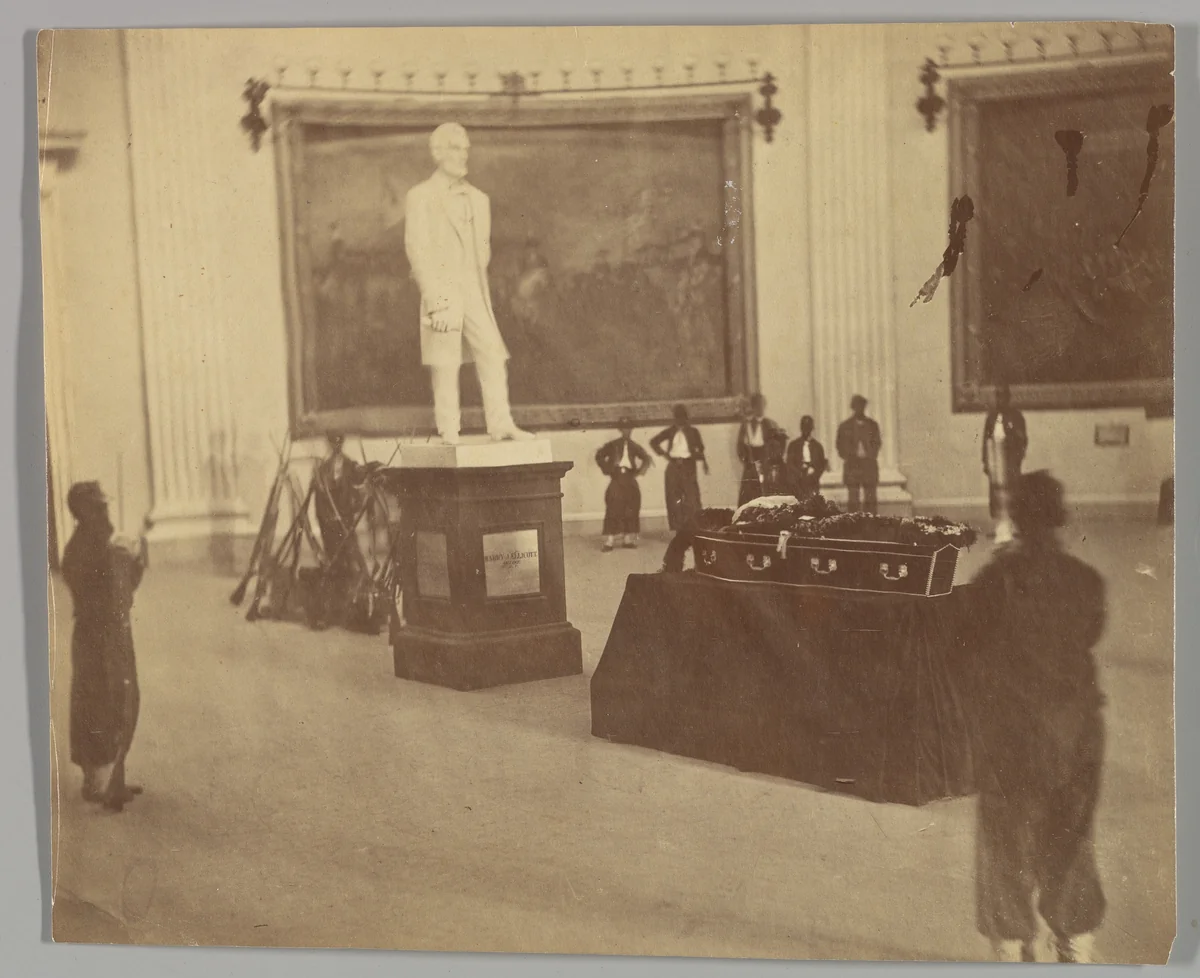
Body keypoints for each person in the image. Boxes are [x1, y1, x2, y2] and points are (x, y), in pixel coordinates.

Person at [966, 471, 1107, 963]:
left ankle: (1011, 945)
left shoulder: (993, 582)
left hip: (1010, 732)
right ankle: (1075, 941)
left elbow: (967, 643)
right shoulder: (1087, 580)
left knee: (1004, 837)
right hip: (1076, 732)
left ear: (1016, 518)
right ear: (1060, 518)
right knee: (1070, 836)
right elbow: (1090, 634)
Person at [403, 122, 533, 446]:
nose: (463, 155)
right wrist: (435, 299)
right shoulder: (420, 196)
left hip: (474, 290)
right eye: (456, 148)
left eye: (465, 149)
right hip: (442, 292)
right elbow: (417, 250)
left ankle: (501, 425)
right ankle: (449, 432)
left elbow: (482, 251)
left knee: (492, 353)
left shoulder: (479, 199)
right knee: (445, 363)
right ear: (437, 152)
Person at [60, 481, 146, 813]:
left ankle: (115, 778)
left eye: (105, 506)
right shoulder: (80, 550)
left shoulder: (101, 544)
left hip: (113, 634)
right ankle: (97, 783)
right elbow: (95, 594)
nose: (106, 512)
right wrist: (119, 559)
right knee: (97, 704)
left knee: (122, 698)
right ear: (85, 513)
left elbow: (124, 589)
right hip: (95, 639)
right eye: (99, 508)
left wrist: (133, 559)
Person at [649, 405, 709, 531]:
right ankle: (677, 529)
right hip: (673, 466)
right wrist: (665, 455)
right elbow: (653, 442)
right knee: (673, 498)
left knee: (692, 498)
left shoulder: (693, 431)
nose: (680, 420)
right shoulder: (670, 431)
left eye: (682, 417)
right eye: (678, 417)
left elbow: (700, 448)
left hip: (688, 466)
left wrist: (702, 461)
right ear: (675, 418)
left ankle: (694, 528)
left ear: (686, 418)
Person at [982, 384, 1028, 544]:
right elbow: (985, 439)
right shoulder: (991, 417)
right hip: (995, 457)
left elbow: (1022, 439)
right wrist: (986, 461)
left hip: (1010, 459)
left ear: (1008, 398)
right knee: (996, 491)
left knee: (1011, 491)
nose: (1000, 400)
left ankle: (1012, 527)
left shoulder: (1016, 416)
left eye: (1003, 396)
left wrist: (1017, 457)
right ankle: (999, 526)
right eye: (998, 396)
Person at [595, 420, 652, 551]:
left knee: (631, 506)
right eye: (624, 428)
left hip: (630, 477)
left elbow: (646, 458)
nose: (627, 431)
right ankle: (609, 541)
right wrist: (607, 468)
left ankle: (627, 539)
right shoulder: (613, 444)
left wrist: (640, 471)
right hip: (617, 477)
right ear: (620, 430)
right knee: (613, 506)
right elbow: (599, 455)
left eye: (629, 428)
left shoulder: (634, 446)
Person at [836, 394, 882, 513]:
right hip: (852, 467)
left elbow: (877, 443)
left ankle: (871, 523)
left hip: (869, 466)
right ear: (853, 407)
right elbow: (840, 446)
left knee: (871, 500)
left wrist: (869, 455)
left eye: (862, 406)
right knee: (853, 501)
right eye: (856, 406)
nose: (859, 409)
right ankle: (854, 524)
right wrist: (851, 456)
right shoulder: (845, 426)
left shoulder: (872, 425)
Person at [736, 393, 784, 506]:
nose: (760, 408)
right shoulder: (746, 424)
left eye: (762, 405)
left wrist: (771, 459)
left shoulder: (771, 424)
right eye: (757, 405)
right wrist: (746, 459)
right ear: (753, 407)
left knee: (766, 490)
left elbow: (778, 446)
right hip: (750, 461)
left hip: (765, 461)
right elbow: (740, 446)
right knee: (748, 490)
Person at [784, 415, 829, 500]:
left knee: (813, 503)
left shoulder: (817, 446)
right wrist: (800, 474)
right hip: (798, 481)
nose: (806, 430)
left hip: (812, 481)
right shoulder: (793, 445)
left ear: (812, 428)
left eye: (808, 427)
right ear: (801, 428)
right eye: (804, 427)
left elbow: (821, 465)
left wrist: (814, 474)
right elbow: (790, 463)